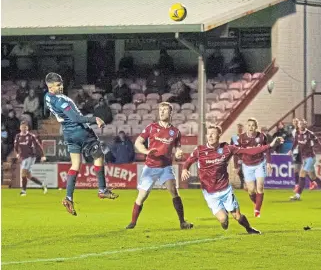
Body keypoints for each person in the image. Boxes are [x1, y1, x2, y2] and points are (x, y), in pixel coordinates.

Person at [181, 125, 283, 233]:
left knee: (237, 216)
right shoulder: (200, 150)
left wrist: (270, 145)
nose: (210, 136)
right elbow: (188, 161)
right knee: (224, 220)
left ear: (219, 135)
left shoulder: (227, 149)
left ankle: (249, 229)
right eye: (208, 133)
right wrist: (184, 169)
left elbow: (250, 151)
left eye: (213, 133)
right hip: (210, 193)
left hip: (225, 190)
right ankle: (224, 215)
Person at [44, 72, 117, 216]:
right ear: (50, 86)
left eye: (61, 83)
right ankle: (102, 189)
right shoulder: (60, 101)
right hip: (80, 131)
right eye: (58, 85)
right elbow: (77, 118)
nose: (61, 87)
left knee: (75, 165)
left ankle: (69, 197)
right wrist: (95, 119)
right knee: (98, 155)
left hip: (68, 133)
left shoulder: (47, 97)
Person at [126, 102, 193, 230]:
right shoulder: (151, 127)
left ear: (170, 113)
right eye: (160, 110)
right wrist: (146, 151)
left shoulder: (175, 132)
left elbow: (178, 148)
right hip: (150, 167)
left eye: (164, 110)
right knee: (142, 196)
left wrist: (179, 153)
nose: (161, 112)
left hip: (166, 167)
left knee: (174, 191)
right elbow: (138, 142)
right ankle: (133, 222)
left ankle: (182, 222)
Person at [234, 118, 271, 218]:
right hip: (247, 165)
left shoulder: (262, 136)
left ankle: (257, 210)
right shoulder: (241, 138)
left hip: (260, 163)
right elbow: (235, 152)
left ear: (256, 127)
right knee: (251, 190)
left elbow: (267, 149)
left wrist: (268, 163)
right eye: (249, 125)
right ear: (246, 127)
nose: (251, 127)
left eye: (253, 125)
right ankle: (257, 203)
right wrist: (236, 166)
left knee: (260, 187)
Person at [288, 119, 321, 201]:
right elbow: (295, 143)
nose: (301, 125)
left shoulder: (310, 134)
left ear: (306, 125)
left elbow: (318, 143)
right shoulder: (297, 133)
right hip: (305, 158)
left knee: (302, 173)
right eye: (300, 124)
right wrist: (291, 150)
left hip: (311, 158)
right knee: (313, 177)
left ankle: (297, 195)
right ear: (298, 125)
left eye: (303, 124)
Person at [14, 121, 47, 196]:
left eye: (25, 127)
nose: (23, 128)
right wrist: (17, 153)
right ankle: (42, 185)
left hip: (31, 157)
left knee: (23, 172)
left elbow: (39, 146)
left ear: (27, 128)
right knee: (28, 176)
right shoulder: (17, 136)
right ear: (20, 128)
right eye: (22, 127)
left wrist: (42, 155)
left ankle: (23, 191)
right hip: (23, 157)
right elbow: (15, 146)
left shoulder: (31, 136)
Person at [291, 118, 316, 192]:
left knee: (305, 169)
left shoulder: (305, 132)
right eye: (294, 122)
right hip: (297, 152)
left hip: (304, 152)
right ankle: (297, 185)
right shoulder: (294, 131)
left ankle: (312, 182)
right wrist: (292, 150)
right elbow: (295, 142)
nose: (295, 123)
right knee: (296, 169)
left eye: (296, 122)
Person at [230, 123, 245, 189]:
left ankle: (243, 183)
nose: (240, 129)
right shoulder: (234, 137)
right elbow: (230, 147)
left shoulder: (245, 137)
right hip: (236, 157)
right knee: (238, 171)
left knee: (242, 170)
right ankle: (242, 182)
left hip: (243, 156)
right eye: (239, 127)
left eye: (241, 127)